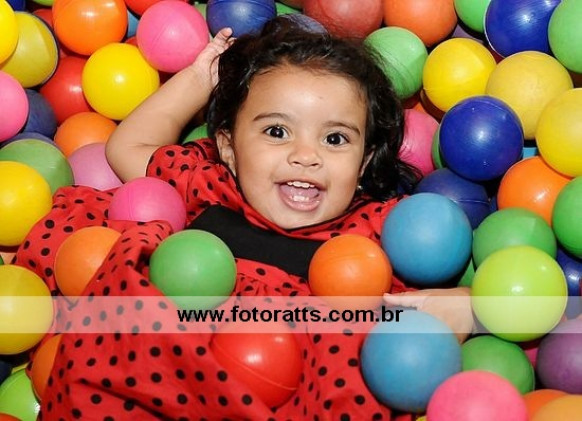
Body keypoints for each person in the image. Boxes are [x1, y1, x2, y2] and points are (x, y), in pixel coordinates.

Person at [15, 16, 472, 420]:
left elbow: (468, 300)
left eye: (335, 139)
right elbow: (127, 148)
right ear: (229, 149)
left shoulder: (380, 233)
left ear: (364, 162)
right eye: (277, 131)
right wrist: (199, 79)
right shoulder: (209, 189)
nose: (305, 155)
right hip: (163, 374)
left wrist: (468, 306)